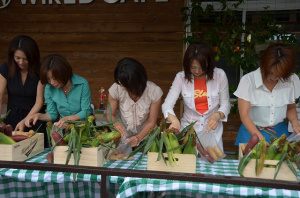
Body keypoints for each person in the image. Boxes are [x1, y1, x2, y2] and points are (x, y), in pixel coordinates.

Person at [162, 42, 231, 151]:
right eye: (193, 67)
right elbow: (167, 105)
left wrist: (217, 115)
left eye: (202, 67)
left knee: (212, 163)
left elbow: (226, 104)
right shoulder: (181, 78)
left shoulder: (220, 75)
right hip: (188, 132)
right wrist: (174, 121)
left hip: (211, 132)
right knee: (188, 164)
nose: (197, 71)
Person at [234, 43, 300, 145]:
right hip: (251, 132)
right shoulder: (248, 81)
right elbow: (244, 115)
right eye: (270, 72)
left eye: (279, 75)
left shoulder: (291, 80)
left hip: (279, 133)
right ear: (263, 64)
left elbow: (290, 107)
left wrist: (295, 122)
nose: (273, 78)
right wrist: (260, 139)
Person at [106, 58, 163, 147]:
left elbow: (151, 122)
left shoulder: (154, 91)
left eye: (127, 85)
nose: (123, 87)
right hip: (123, 137)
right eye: (121, 83)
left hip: (147, 137)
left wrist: (138, 137)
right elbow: (110, 115)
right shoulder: (116, 89)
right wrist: (116, 124)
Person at [25, 54, 92, 129]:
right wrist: (39, 115)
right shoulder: (49, 88)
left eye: (54, 78)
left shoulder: (82, 83)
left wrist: (67, 119)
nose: (52, 82)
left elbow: (86, 111)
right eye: (48, 79)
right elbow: (52, 114)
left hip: (85, 128)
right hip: (66, 128)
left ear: (64, 72)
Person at [0, 35, 46, 132]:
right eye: (17, 58)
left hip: (34, 120)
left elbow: (39, 101)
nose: (21, 62)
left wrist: (25, 120)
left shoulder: (40, 70)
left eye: (25, 59)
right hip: (12, 119)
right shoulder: (5, 69)